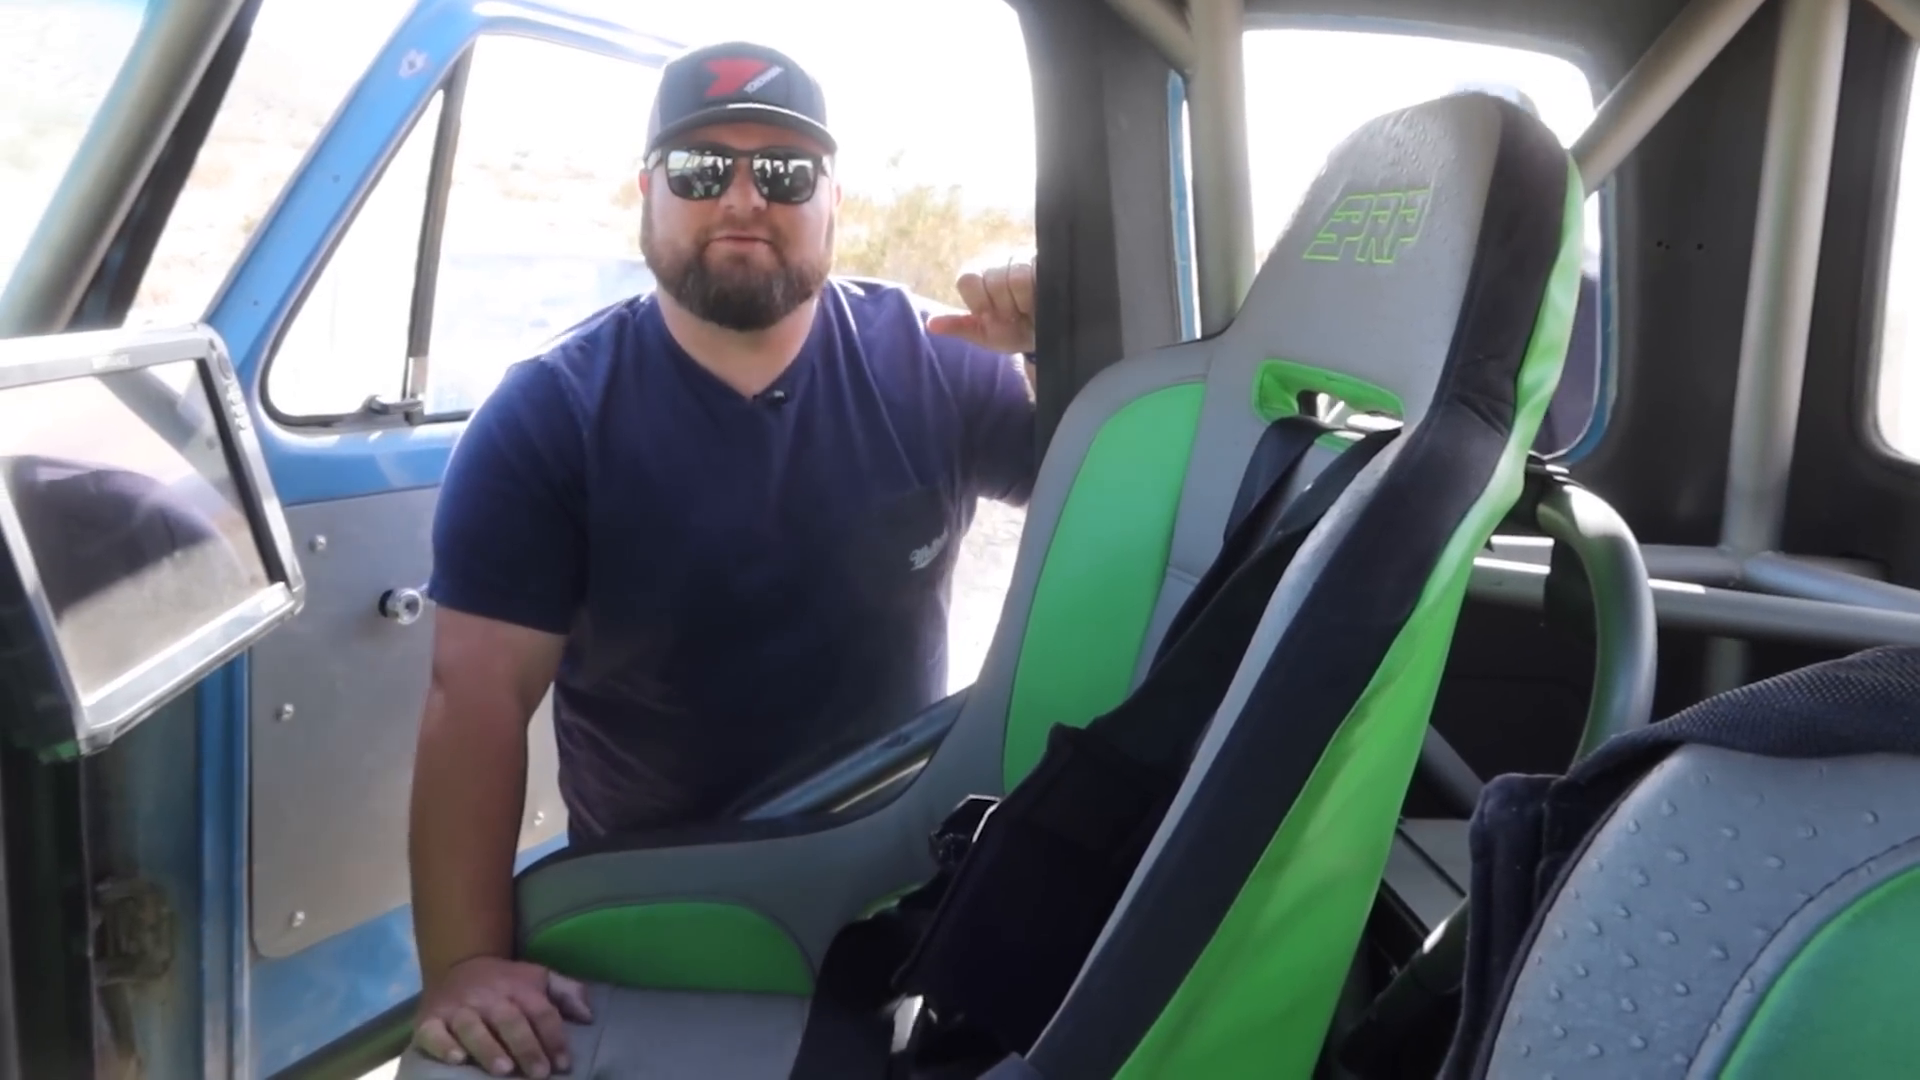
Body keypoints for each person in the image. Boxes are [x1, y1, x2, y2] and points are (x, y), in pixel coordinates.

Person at [406, 40, 1040, 1077]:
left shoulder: (938, 363)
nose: (744, 198)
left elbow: (1118, 494)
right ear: (647, 195)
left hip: (895, 858)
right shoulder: (549, 418)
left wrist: (1066, 345)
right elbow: (471, 702)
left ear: (833, 198)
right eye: (703, 170)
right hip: (664, 892)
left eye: (785, 172)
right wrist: (466, 964)